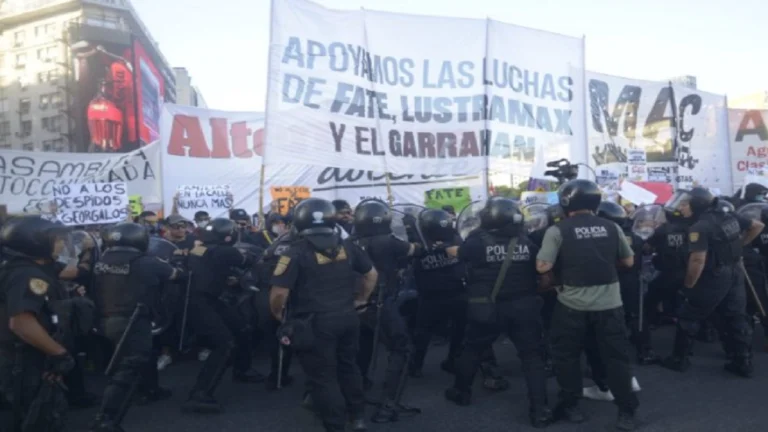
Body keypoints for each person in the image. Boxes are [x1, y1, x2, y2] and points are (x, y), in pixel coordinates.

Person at [536, 179, 638, 431]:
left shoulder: (557, 230)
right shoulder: (612, 227)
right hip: (610, 304)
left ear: (566, 202)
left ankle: (572, 407)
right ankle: (626, 412)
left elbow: (543, 266)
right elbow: (628, 262)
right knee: (616, 358)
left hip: (571, 305)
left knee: (567, 357)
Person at [269, 198, 378, 432]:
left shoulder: (293, 252)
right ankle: (358, 418)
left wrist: (278, 315)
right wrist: (361, 300)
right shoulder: (347, 246)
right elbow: (371, 275)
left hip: (315, 324)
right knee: (349, 367)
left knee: (323, 377)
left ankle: (335, 425)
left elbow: (279, 293)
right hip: (348, 317)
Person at [442, 198, 552, 428]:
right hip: (524, 307)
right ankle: (540, 410)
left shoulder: (476, 242)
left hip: (487, 308)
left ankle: (461, 391)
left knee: (472, 349)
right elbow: (542, 272)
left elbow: (457, 254)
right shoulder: (527, 242)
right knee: (532, 357)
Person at [89, 223, 183, 432]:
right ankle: (105, 419)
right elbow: (176, 275)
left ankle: (151, 389)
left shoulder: (101, 261)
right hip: (133, 319)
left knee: (143, 354)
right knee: (129, 367)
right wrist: (178, 262)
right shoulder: (146, 262)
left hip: (105, 319)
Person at [661, 188, 764, 377]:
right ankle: (742, 361)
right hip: (734, 271)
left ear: (697, 205)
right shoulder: (728, 216)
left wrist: (689, 285)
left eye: (685, 204)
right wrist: (738, 248)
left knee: (689, 315)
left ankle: (679, 360)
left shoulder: (700, 227)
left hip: (714, 275)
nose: (681, 208)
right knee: (736, 316)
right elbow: (756, 225)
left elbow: (697, 261)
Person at [0, 216, 76, 432]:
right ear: (35, 242)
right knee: (39, 416)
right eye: (56, 239)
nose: (61, 244)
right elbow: (21, 322)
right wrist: (59, 353)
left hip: (25, 356)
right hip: (23, 359)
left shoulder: (26, 267)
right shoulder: (26, 274)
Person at [182, 218, 263, 414]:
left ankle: (242, 369)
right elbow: (250, 260)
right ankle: (199, 394)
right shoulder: (227, 251)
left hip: (204, 298)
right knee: (224, 343)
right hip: (202, 302)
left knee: (242, 327)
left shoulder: (198, 249)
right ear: (228, 235)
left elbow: (208, 266)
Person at [350, 199, 420, 423]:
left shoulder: (349, 243)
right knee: (402, 348)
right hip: (379, 302)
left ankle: (356, 396)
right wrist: (411, 227)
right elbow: (416, 250)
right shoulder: (388, 241)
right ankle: (388, 404)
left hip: (353, 306)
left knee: (362, 349)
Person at [409, 209, 468, 378]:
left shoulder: (419, 244)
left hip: (432, 297)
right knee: (458, 330)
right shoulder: (456, 240)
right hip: (454, 293)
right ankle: (451, 361)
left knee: (423, 332)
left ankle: (416, 365)